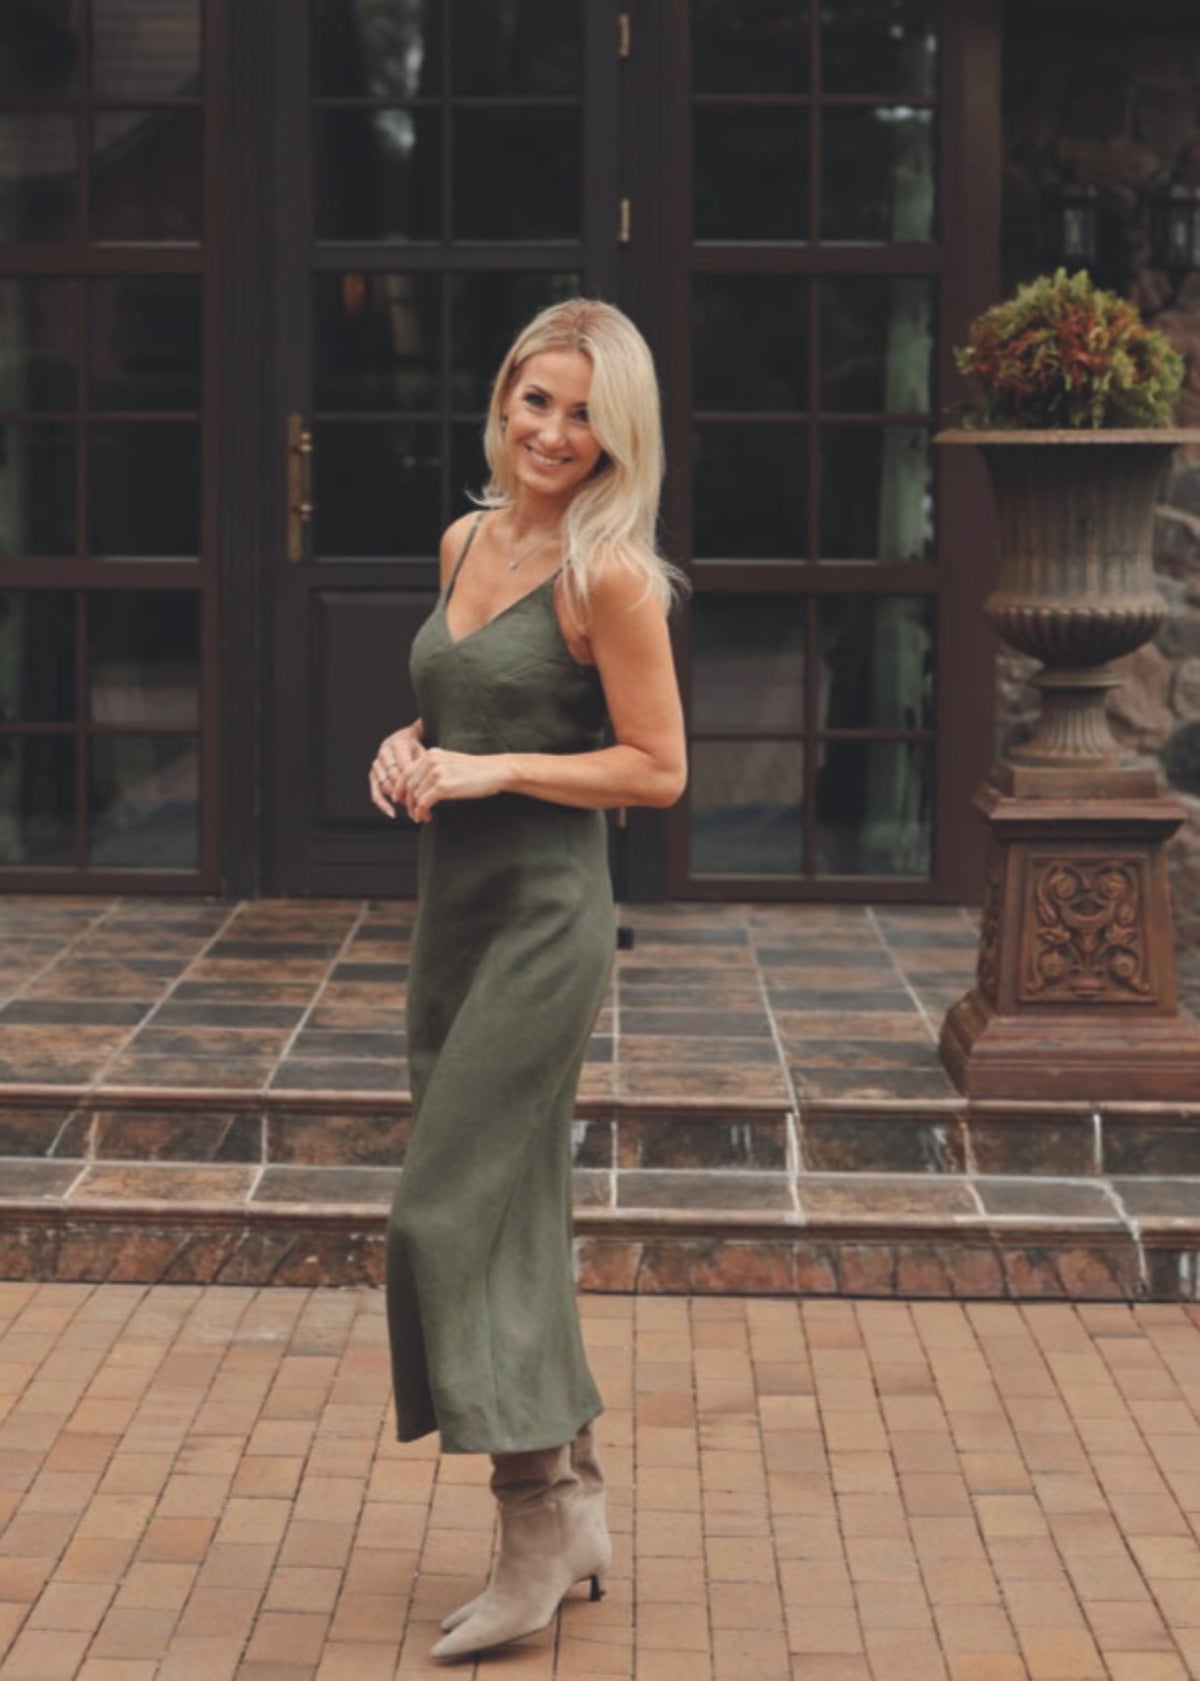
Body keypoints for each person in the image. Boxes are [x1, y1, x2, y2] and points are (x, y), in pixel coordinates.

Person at [368, 298, 686, 1662]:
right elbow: (461, 704)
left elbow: (659, 769)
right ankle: (587, 1499)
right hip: (455, 910)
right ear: (503, 401)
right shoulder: (464, 539)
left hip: (550, 918)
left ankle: (532, 1524)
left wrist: (492, 770)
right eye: (533, 401)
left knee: (445, 1209)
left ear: (621, 433)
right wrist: (406, 745)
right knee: (515, 1200)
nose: (553, 433)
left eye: (581, 412)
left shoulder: (608, 574)